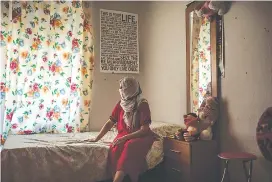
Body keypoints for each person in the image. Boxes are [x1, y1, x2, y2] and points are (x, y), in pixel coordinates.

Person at [86, 77, 155, 182]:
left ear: (132, 89)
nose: (121, 90)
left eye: (123, 88)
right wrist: (97, 138)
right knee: (115, 148)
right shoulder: (121, 104)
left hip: (140, 136)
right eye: (121, 88)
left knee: (129, 146)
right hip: (124, 134)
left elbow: (144, 130)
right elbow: (110, 122)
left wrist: (125, 138)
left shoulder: (142, 104)